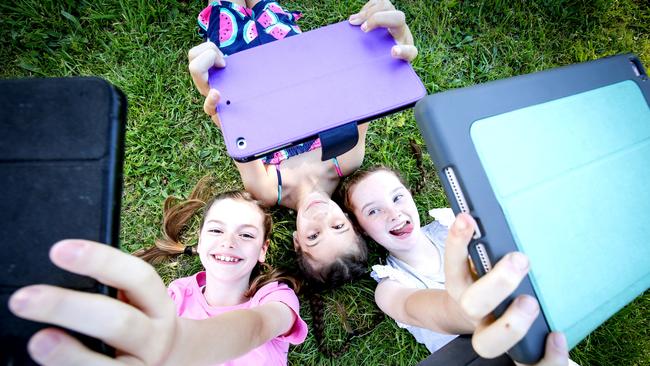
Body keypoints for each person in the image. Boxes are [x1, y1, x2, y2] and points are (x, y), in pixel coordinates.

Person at [187, 0, 418, 287]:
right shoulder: (345, 161)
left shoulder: (270, 191)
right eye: (337, 226)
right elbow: (364, 94)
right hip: (290, 60)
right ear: (352, 221)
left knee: (226, 7)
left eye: (313, 236)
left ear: (297, 242)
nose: (321, 217)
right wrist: (396, 49)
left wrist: (211, 94)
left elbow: (235, 131)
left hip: (240, 72)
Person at [9, 180, 307, 365]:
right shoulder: (177, 296)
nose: (228, 242)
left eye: (246, 235)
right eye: (216, 230)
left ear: (263, 250)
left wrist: (184, 342)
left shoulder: (275, 297)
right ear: (201, 240)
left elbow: (257, 327)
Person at [339, 166, 577, 365]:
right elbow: (423, 309)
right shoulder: (390, 287)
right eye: (373, 210)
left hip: (537, 343)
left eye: (397, 197)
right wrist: (467, 311)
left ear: (410, 196)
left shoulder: (453, 226)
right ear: (361, 229)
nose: (393, 213)